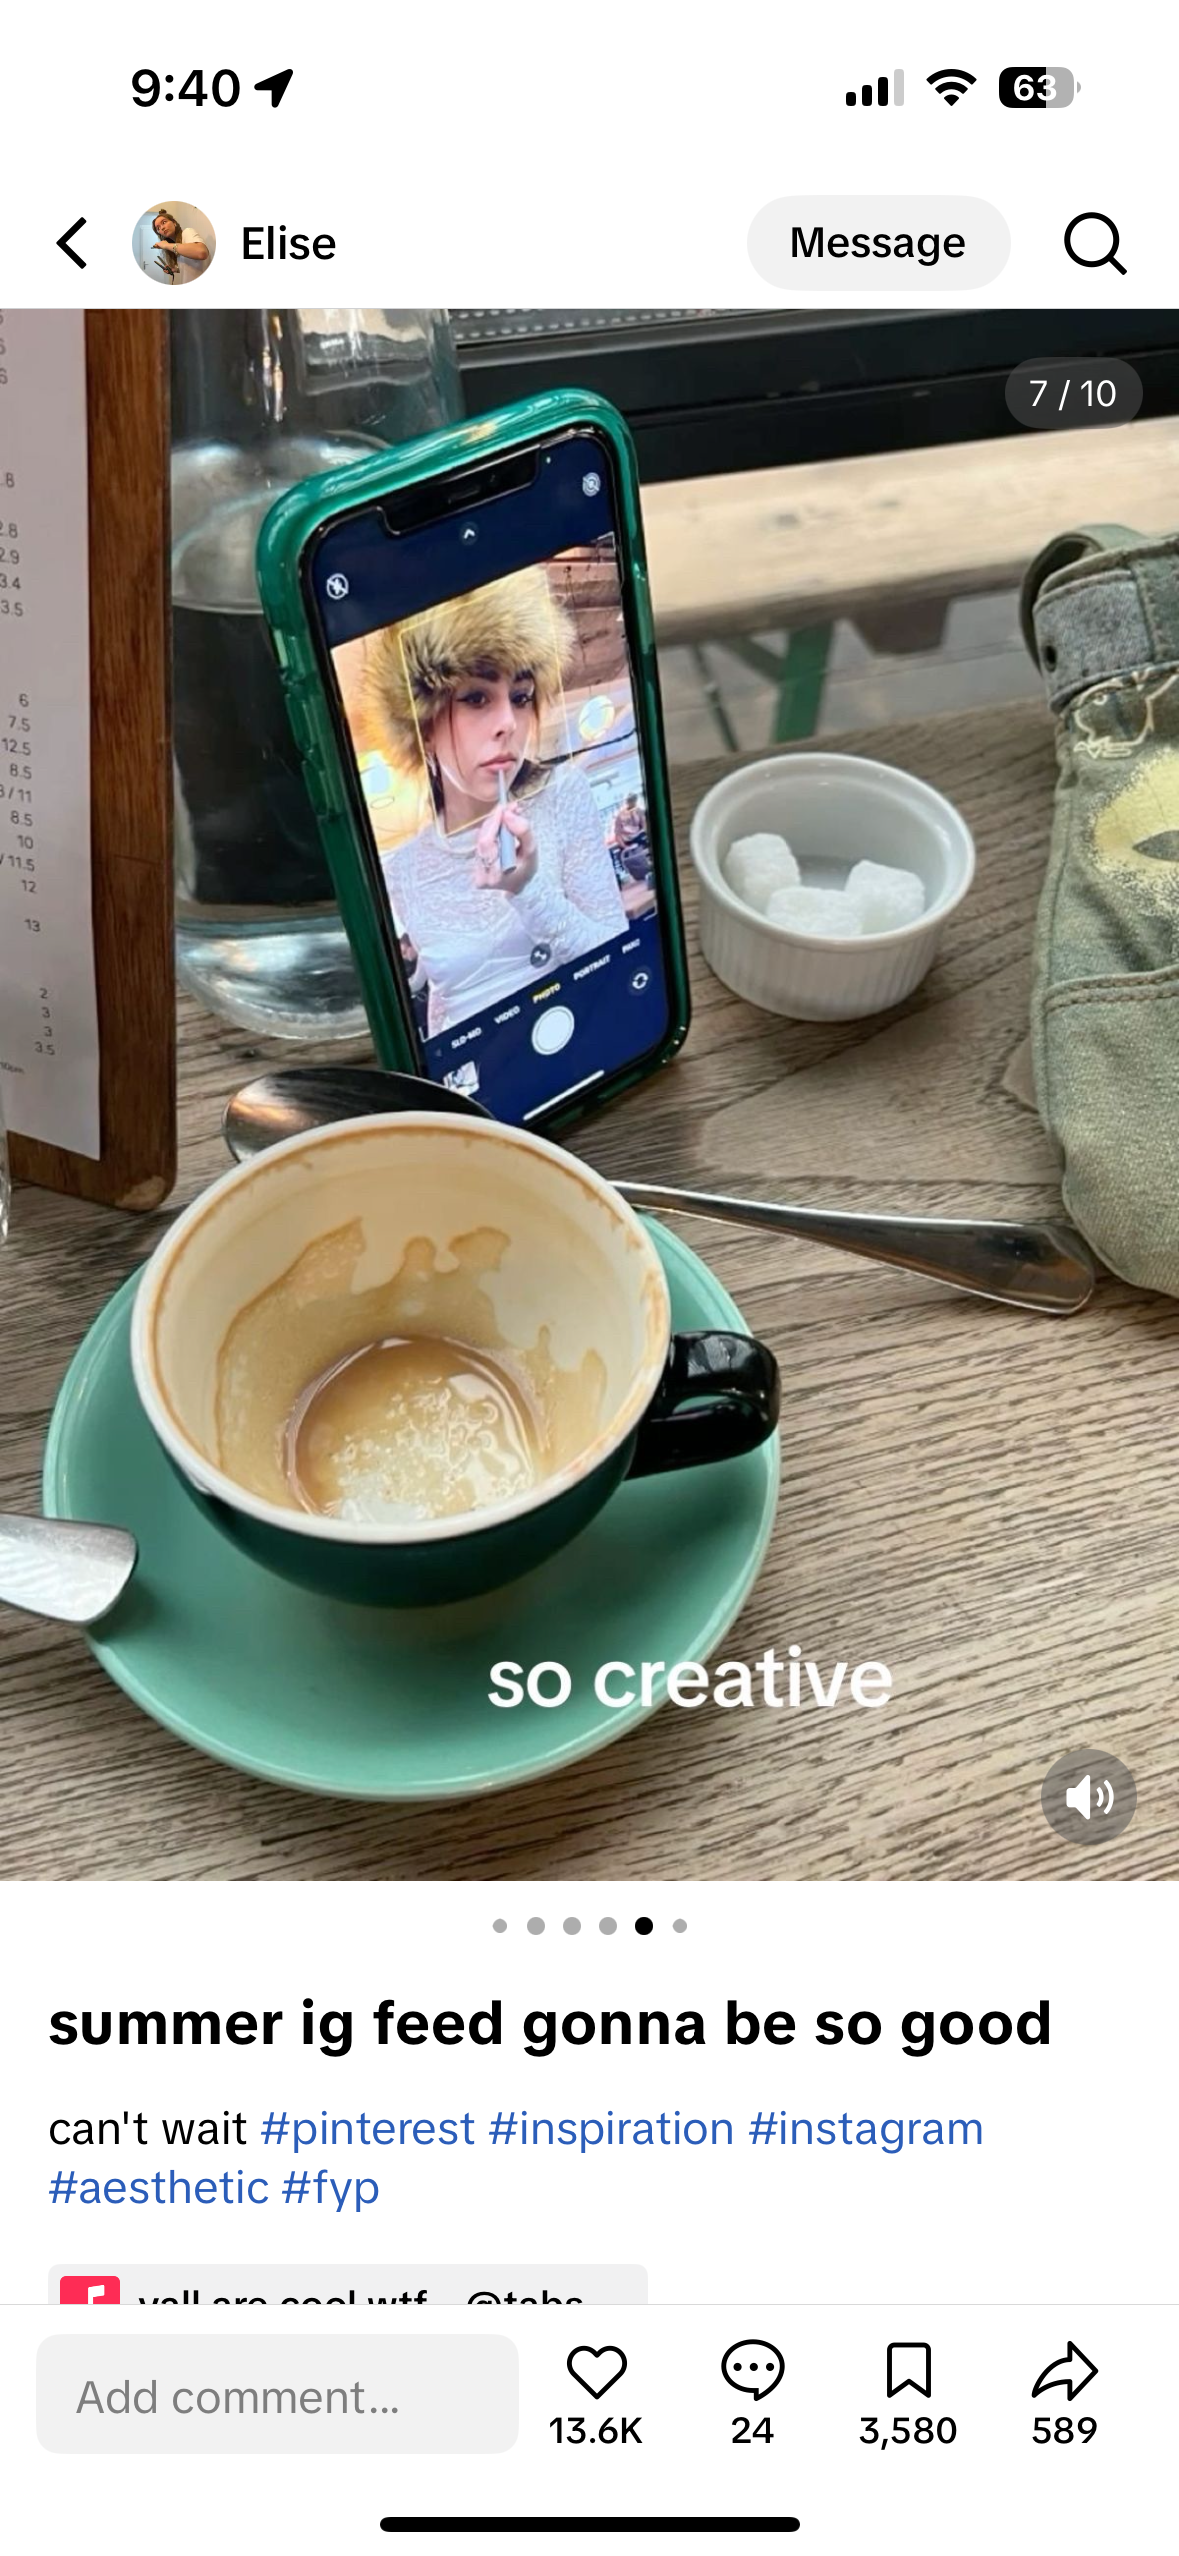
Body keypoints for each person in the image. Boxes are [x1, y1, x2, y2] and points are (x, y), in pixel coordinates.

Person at [365, 567, 628, 1035]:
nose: (508, 722)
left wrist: (527, 890)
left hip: (577, 1034)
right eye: (476, 698)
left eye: (521, 697)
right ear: (423, 728)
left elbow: (615, 958)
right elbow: (445, 994)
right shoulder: (401, 868)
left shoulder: (561, 794)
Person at [149, 210, 210, 283]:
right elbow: (191, 264)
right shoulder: (177, 244)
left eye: (164, 222)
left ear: (174, 222)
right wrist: (175, 269)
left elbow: (202, 252)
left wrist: (166, 245)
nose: (162, 228)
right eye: (158, 228)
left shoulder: (187, 232)